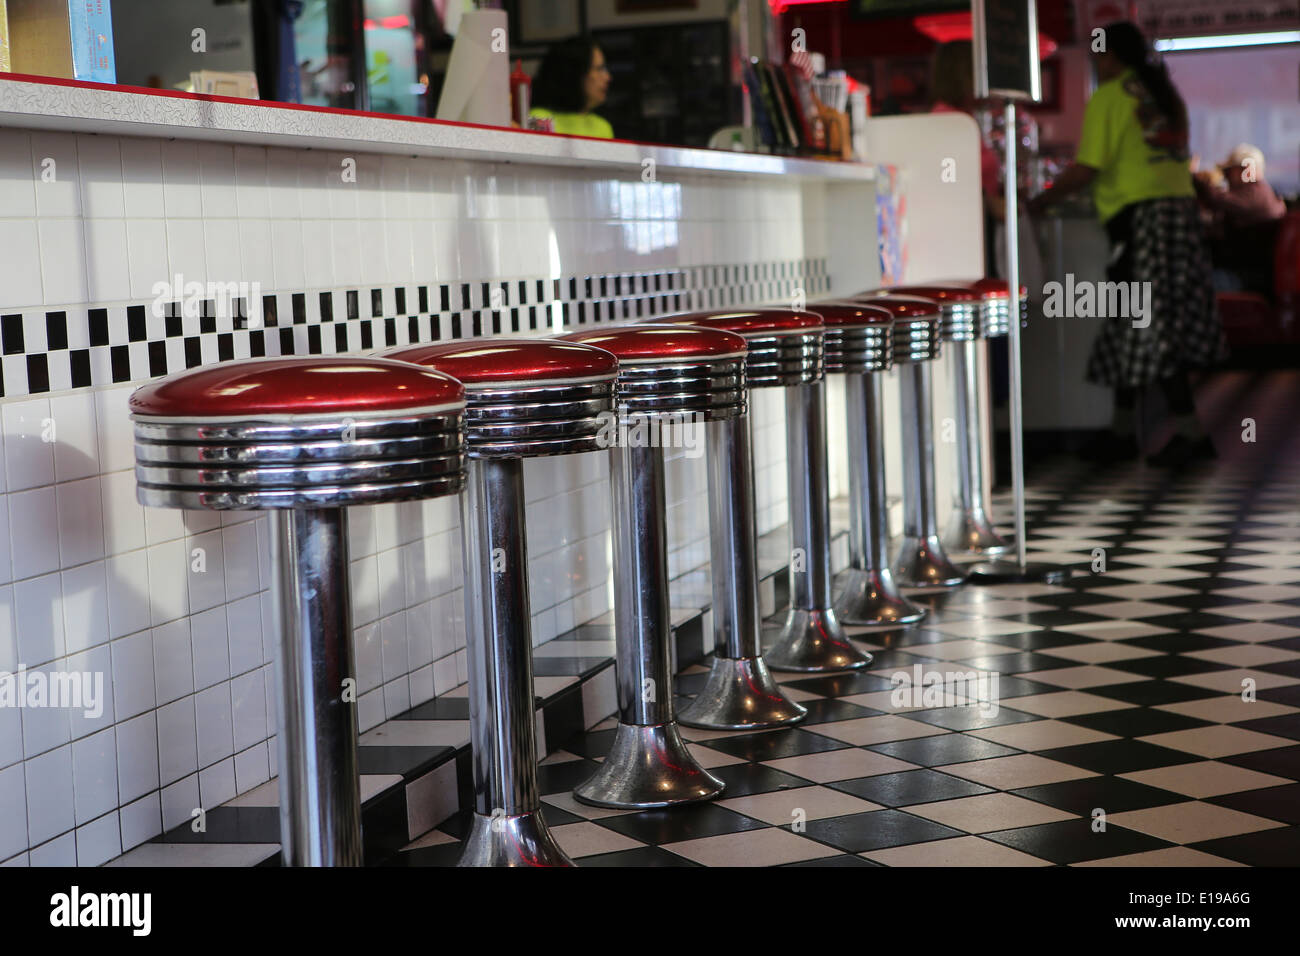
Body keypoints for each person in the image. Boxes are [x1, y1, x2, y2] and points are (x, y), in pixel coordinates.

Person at [1028, 21, 1223, 467]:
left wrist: (1037, 203)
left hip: (1141, 220)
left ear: (1110, 57)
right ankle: (1120, 433)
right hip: (1177, 219)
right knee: (1129, 319)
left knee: (1151, 325)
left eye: (1099, 56)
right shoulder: (1164, 95)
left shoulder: (1111, 96)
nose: (1097, 63)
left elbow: (1085, 170)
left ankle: (1193, 436)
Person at [1194, 144, 1287, 296]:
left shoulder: (1256, 195)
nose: (1225, 177)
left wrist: (1192, 176)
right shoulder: (1258, 195)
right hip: (1242, 273)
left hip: (1246, 279)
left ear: (1247, 170)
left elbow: (1215, 199)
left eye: (1228, 172)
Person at [529, 37, 613, 139]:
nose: (607, 77)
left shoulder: (603, 126)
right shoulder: (539, 118)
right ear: (576, 73)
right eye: (599, 69)